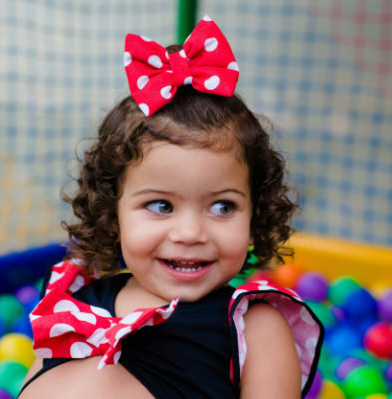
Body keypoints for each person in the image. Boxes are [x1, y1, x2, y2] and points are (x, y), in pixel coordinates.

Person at [19, 16, 323, 399]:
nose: (190, 233)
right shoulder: (76, 298)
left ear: (256, 215)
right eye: (161, 205)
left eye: (223, 207)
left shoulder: (255, 328)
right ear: (113, 213)